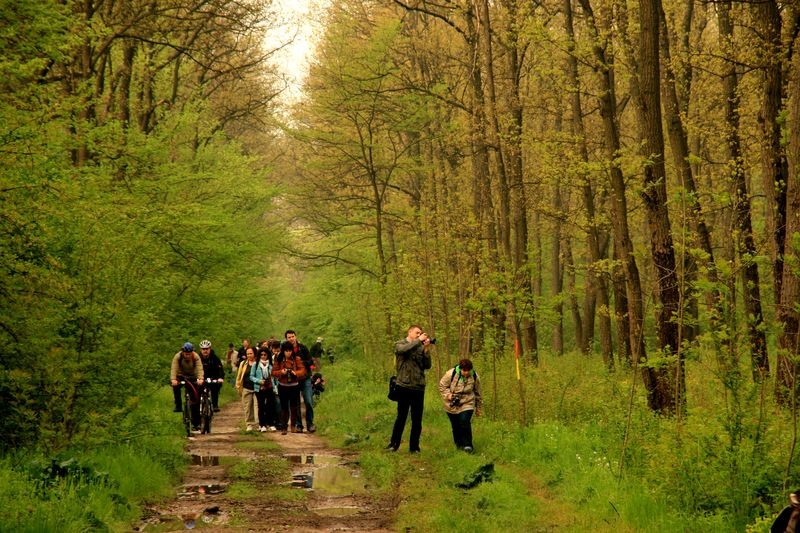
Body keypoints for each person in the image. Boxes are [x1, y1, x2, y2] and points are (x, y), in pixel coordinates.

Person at [387, 325, 433, 453]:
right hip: (403, 385)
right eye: (417, 332)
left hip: (418, 387)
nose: (419, 335)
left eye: (420, 333)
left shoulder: (420, 347)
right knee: (401, 417)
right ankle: (394, 444)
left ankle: (414, 447)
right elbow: (403, 350)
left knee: (417, 419)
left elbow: (427, 365)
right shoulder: (400, 344)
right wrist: (419, 341)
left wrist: (426, 350)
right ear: (410, 332)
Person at [438, 358, 481, 453]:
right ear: (461, 369)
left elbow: (478, 392)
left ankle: (468, 445)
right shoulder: (450, 374)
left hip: (468, 401)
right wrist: (448, 395)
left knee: (464, 421)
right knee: (455, 425)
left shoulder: (474, 376)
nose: (466, 373)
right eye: (464, 370)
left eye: (468, 370)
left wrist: (478, 407)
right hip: (451, 403)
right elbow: (442, 386)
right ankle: (459, 445)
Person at [272, 340, 307, 435]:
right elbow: (273, 372)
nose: (288, 352)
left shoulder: (297, 359)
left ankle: (293, 426)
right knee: (284, 407)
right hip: (282, 386)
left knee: (294, 407)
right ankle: (284, 427)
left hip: (294, 386)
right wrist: (281, 372)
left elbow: (303, 370)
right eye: (286, 351)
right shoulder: (279, 359)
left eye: (290, 350)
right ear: (283, 351)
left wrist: (295, 373)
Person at [285, 330, 316, 432]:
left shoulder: (303, 348)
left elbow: (310, 361)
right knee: (295, 403)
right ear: (286, 339)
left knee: (308, 401)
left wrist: (302, 363)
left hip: (305, 378)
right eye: (289, 337)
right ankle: (299, 425)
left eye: (292, 336)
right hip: (293, 380)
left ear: (295, 336)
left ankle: (310, 424)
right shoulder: (285, 351)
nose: (291, 339)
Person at [170, 342, 205, 431]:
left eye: (189, 354)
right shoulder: (178, 357)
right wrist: (173, 379)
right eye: (186, 354)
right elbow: (174, 368)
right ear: (183, 352)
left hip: (192, 376)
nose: (188, 356)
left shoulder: (196, 356)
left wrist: (200, 378)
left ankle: (196, 423)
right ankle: (178, 405)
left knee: (195, 400)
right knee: (175, 386)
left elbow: (199, 368)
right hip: (181, 375)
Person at [251, 346, 278, 432]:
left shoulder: (271, 364)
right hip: (259, 388)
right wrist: (259, 381)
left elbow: (275, 377)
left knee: (270, 405)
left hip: (270, 387)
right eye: (261, 355)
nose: (263, 356)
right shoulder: (255, 365)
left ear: (268, 355)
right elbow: (251, 376)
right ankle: (262, 424)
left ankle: (271, 423)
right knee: (261, 406)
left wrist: (276, 386)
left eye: (265, 354)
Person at [198, 339, 224, 411]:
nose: (205, 351)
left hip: (213, 377)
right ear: (200, 350)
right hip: (201, 377)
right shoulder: (197, 358)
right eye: (203, 349)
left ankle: (215, 405)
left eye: (207, 349)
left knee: (215, 387)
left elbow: (220, 369)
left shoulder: (215, 358)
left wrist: (220, 378)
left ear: (210, 349)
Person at [236, 347, 258, 431]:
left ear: (254, 354)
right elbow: (239, 376)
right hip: (246, 388)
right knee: (247, 408)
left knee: (257, 407)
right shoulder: (243, 363)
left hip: (257, 389)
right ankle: (249, 424)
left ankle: (258, 424)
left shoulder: (258, 363)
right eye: (247, 354)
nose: (249, 355)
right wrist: (238, 387)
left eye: (251, 353)